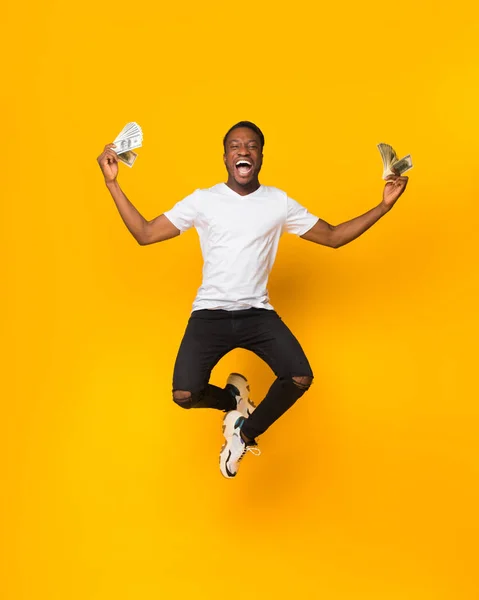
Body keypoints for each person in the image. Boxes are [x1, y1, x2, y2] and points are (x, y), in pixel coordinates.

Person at [97, 121, 409, 479]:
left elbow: (334, 236)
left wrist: (383, 207)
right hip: (209, 315)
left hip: (256, 314)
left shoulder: (278, 203)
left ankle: (243, 434)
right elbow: (146, 233)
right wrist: (112, 183)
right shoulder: (204, 200)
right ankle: (233, 401)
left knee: (299, 377)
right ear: (226, 156)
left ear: (260, 155)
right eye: (235, 145)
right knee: (184, 394)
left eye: (251, 146)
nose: (243, 151)